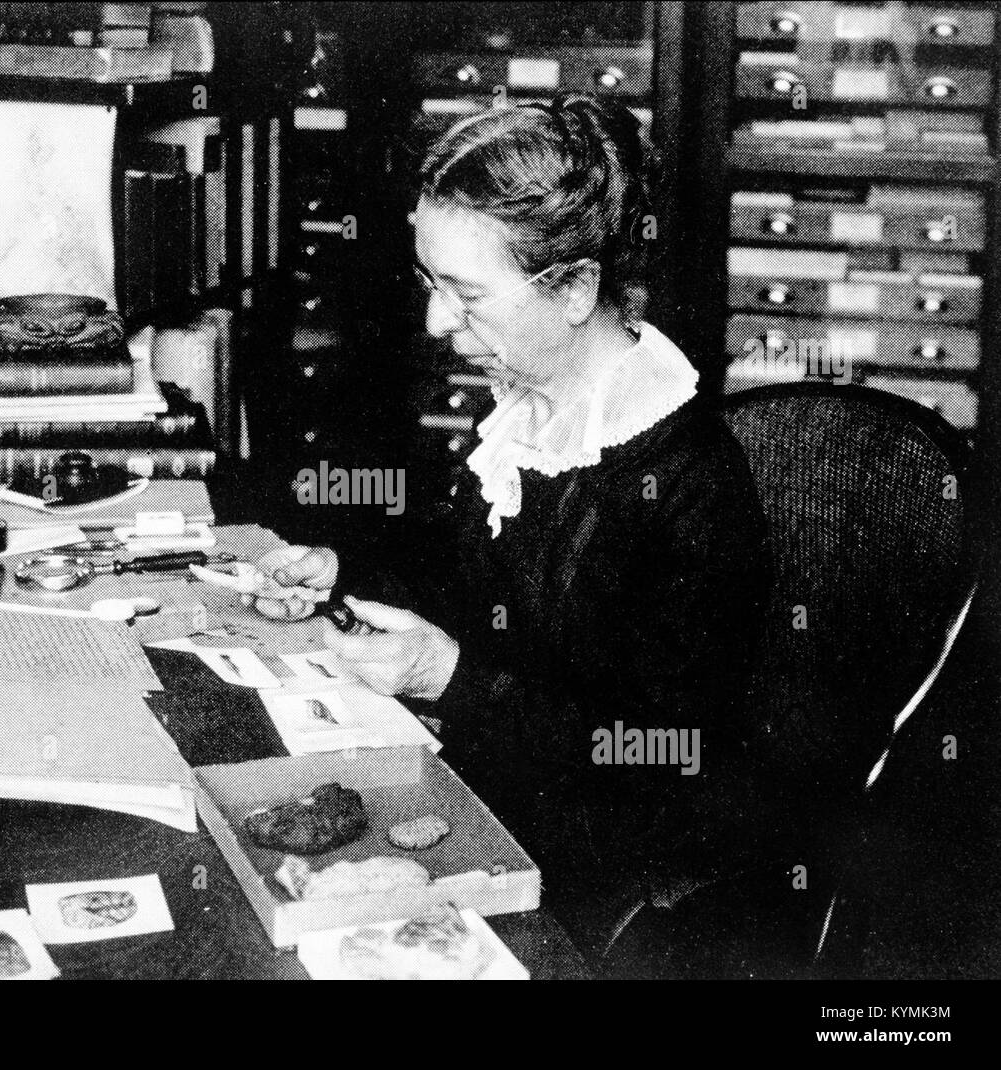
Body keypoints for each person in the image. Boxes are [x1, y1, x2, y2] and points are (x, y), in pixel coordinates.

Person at [248, 94, 774, 973]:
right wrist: (343, 570)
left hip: (605, 867)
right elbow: (472, 578)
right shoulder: (530, 411)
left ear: (575, 288)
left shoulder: (690, 483)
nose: (437, 322)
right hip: (493, 792)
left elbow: (660, 753)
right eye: (430, 285)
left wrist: (450, 677)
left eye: (465, 295)